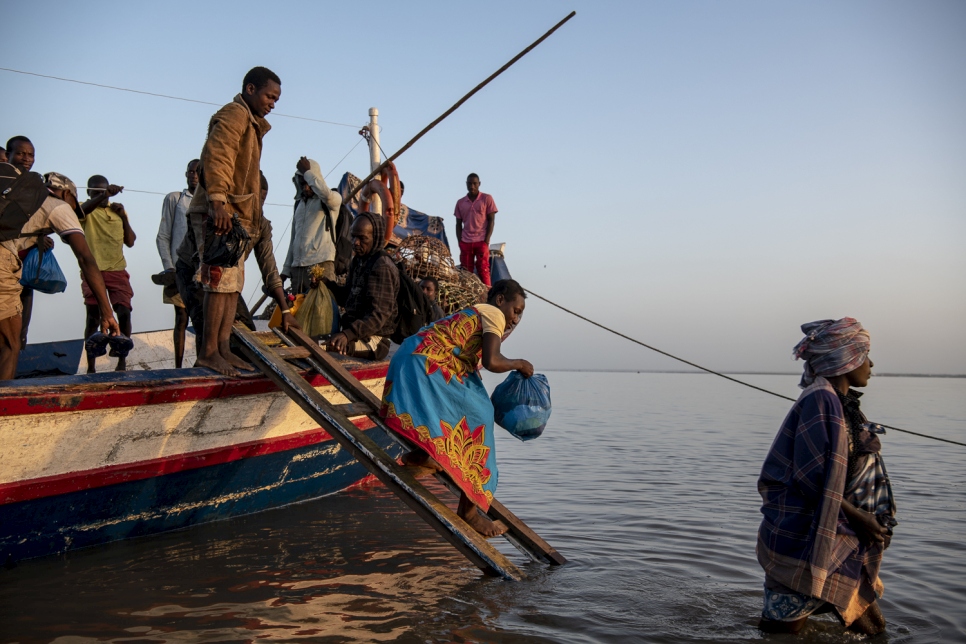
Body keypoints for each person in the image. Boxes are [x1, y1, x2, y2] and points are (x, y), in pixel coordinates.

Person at [757, 318, 896, 636]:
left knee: (874, 629)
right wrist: (861, 518)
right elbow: (813, 482)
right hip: (805, 540)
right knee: (779, 634)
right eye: (865, 356)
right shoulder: (820, 401)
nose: (871, 364)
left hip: (833, 538)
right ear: (845, 359)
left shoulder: (842, 404)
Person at [379, 279, 532, 536]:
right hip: (426, 360)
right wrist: (520, 363)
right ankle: (469, 512)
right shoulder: (494, 313)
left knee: (462, 400)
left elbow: (463, 347)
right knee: (481, 414)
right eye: (516, 310)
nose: (516, 318)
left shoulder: (476, 312)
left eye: (520, 315)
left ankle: (421, 453)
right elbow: (493, 361)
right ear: (500, 300)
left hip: (411, 354)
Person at [189, 66, 297, 376]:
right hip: (220, 212)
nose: (272, 104)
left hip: (235, 216)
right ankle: (209, 352)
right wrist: (218, 202)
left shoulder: (252, 123)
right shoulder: (235, 114)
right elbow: (217, 155)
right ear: (251, 89)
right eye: (270, 96)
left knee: (232, 286)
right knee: (218, 283)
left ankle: (223, 349)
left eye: (276, 99)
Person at [1, 171, 119, 380]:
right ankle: (6, 408)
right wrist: (107, 312)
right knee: (9, 342)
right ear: (67, 195)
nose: (74, 212)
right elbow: (85, 259)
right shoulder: (59, 205)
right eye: (75, 206)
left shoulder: (20, 200)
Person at [79, 175, 136, 372]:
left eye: (105, 192)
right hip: (93, 271)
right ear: (89, 193)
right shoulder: (84, 209)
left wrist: (123, 217)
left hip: (117, 270)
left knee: (125, 313)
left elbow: (130, 241)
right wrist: (101, 196)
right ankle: (91, 366)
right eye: (97, 192)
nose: (103, 196)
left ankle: (121, 361)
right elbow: (80, 212)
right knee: (93, 318)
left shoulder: (117, 210)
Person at [324, 211, 397, 360]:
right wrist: (326, 284)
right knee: (313, 340)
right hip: (353, 333)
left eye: (362, 238)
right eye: (353, 236)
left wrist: (347, 335)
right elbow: (347, 298)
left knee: (330, 347)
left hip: (374, 340)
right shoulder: (358, 261)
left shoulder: (381, 266)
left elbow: (378, 316)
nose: (355, 242)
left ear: (375, 238)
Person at [156, 159, 200, 368]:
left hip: (201, 269)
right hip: (178, 267)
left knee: (201, 319)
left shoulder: (211, 200)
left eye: (197, 172)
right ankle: (178, 366)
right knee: (181, 317)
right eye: (190, 172)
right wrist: (169, 266)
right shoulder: (175, 199)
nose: (193, 175)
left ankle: (202, 361)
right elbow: (163, 236)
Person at [282, 156, 343, 294]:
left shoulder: (331, 199)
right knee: (298, 311)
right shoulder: (299, 205)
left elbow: (326, 195)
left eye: (309, 181)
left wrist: (308, 172)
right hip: (297, 269)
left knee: (322, 312)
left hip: (320, 264)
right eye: (303, 183)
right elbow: (294, 239)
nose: (306, 187)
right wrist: (286, 270)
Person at [453, 173, 497, 286]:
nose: (472, 186)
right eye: (469, 184)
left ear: (479, 184)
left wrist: (486, 240)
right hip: (466, 241)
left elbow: (491, 220)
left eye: (474, 183)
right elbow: (458, 224)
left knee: (483, 269)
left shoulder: (487, 198)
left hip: (481, 240)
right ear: (466, 185)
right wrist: (460, 241)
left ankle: (488, 293)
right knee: (466, 273)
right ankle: (469, 297)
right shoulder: (460, 202)